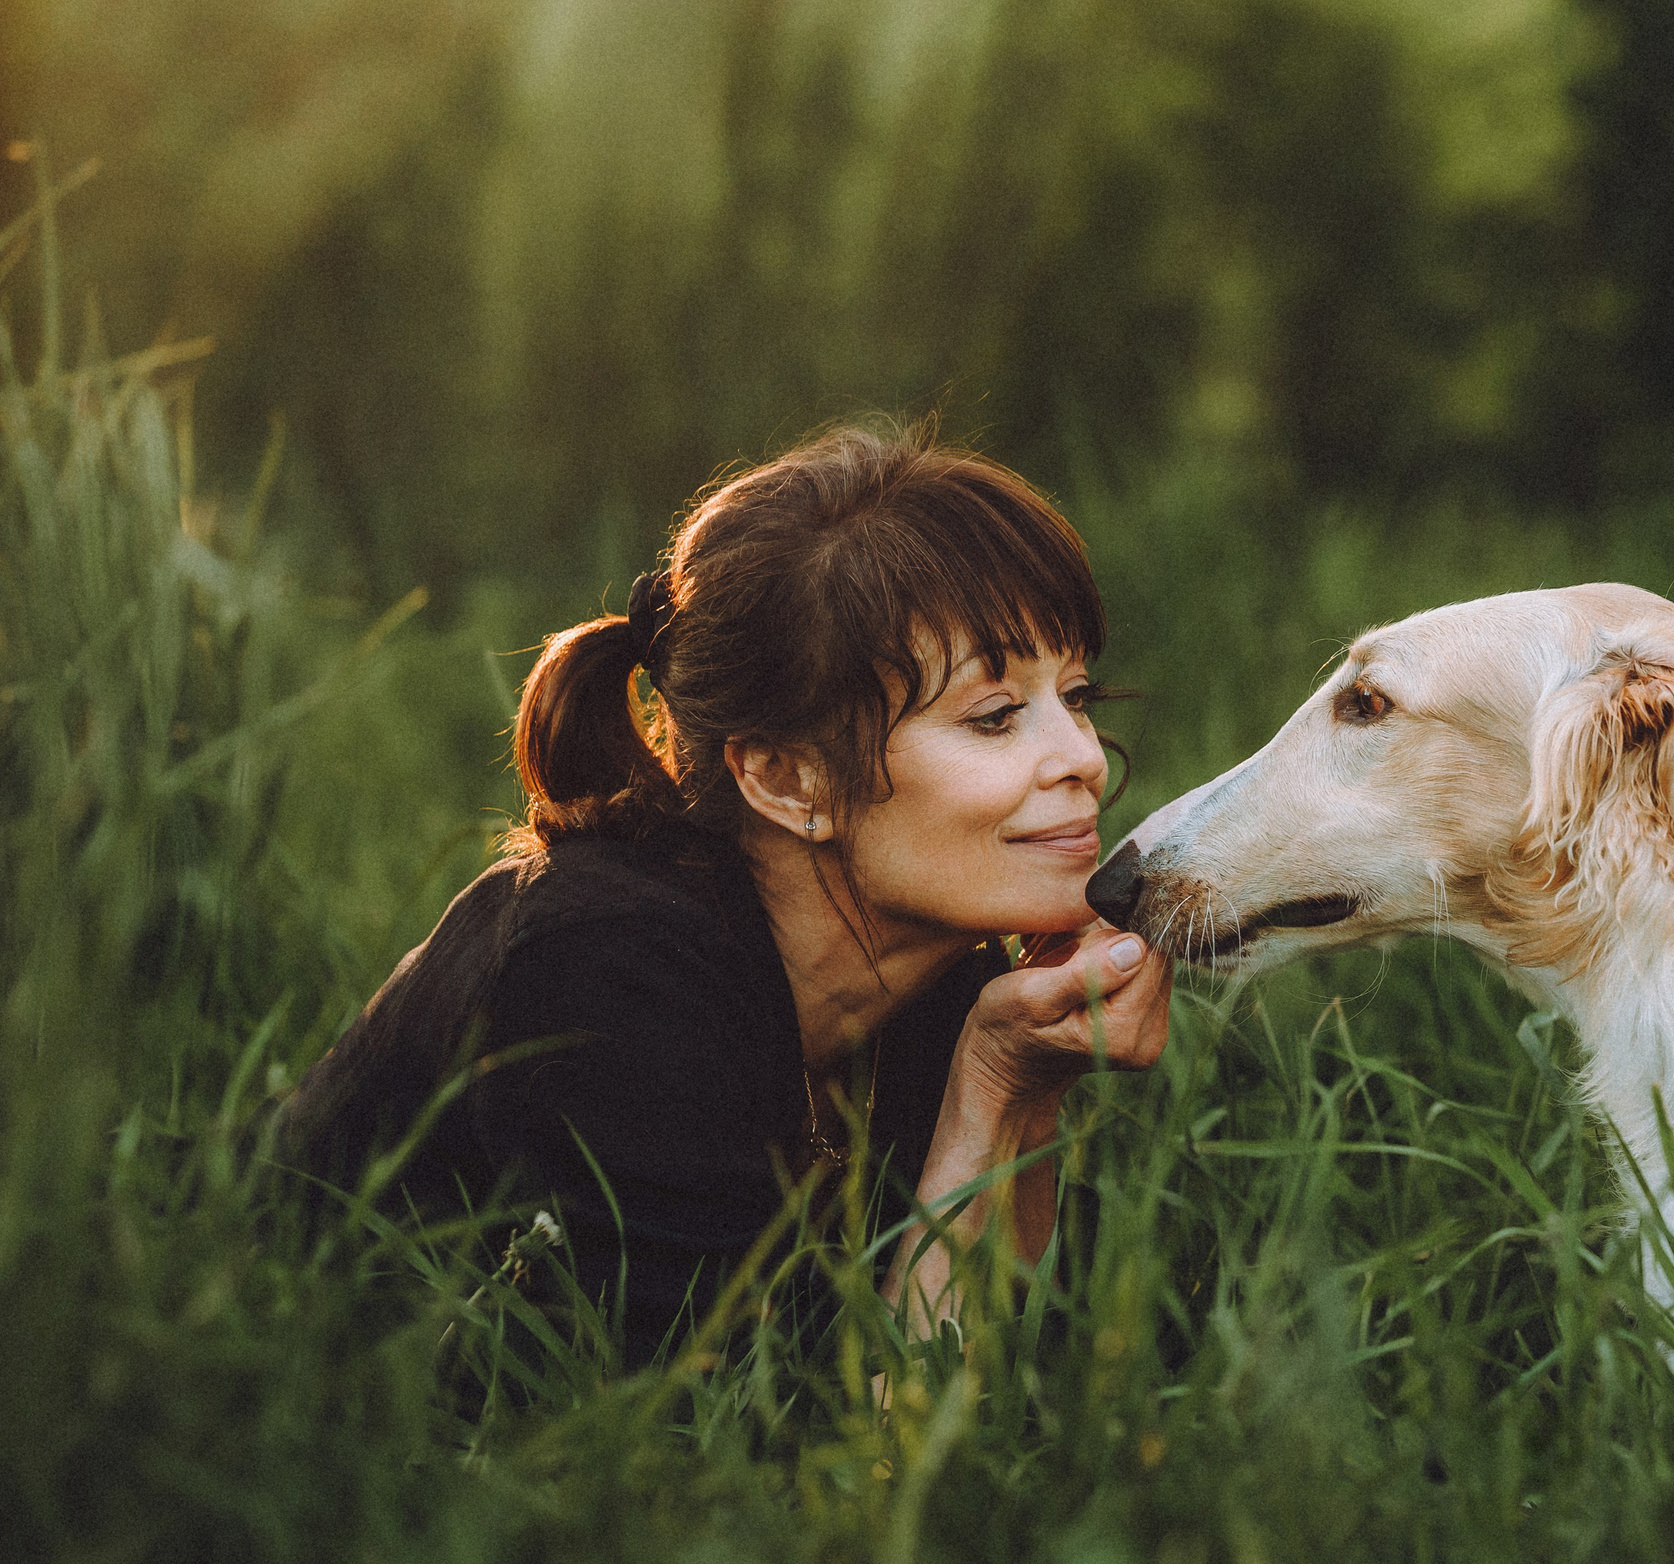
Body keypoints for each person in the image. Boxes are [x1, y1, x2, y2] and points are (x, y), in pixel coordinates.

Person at [285, 425, 1171, 1356]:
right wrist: (986, 1094)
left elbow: (1008, 1394)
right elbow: (761, 1462)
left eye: (1074, 697)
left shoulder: (946, 984)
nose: (1080, 760)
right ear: (789, 782)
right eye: (994, 718)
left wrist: (1023, 1095)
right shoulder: (605, 975)